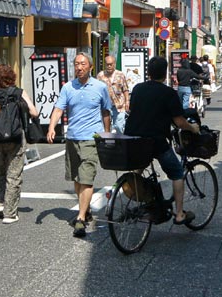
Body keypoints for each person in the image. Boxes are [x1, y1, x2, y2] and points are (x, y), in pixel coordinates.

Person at [125, 56, 200, 225]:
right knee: (176, 173)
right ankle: (180, 214)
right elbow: (180, 121)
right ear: (165, 73)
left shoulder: (137, 88)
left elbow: (134, 109)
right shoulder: (168, 93)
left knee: (139, 167)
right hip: (155, 140)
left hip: (134, 138)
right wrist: (193, 128)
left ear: (148, 73)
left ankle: (145, 199)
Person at [47, 52, 111, 238]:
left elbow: (105, 111)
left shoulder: (100, 87)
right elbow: (58, 109)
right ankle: (87, 208)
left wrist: (106, 135)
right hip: (72, 138)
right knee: (76, 178)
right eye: (76, 64)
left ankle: (81, 218)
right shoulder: (68, 87)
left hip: (91, 139)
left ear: (90, 67)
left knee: (87, 178)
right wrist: (52, 127)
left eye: (83, 64)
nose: (79, 67)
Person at [0, 64, 38, 224]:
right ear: (12, 77)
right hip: (15, 138)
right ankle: (10, 213)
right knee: (14, 174)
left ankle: (0, 204)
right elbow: (34, 112)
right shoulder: (19, 92)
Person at [96, 55, 130, 133]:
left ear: (114, 64)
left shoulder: (120, 75)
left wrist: (127, 101)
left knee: (118, 126)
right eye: (107, 64)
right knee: (106, 127)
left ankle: (119, 143)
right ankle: (108, 142)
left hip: (119, 105)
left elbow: (125, 89)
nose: (109, 66)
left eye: (111, 64)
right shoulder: (100, 76)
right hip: (105, 106)